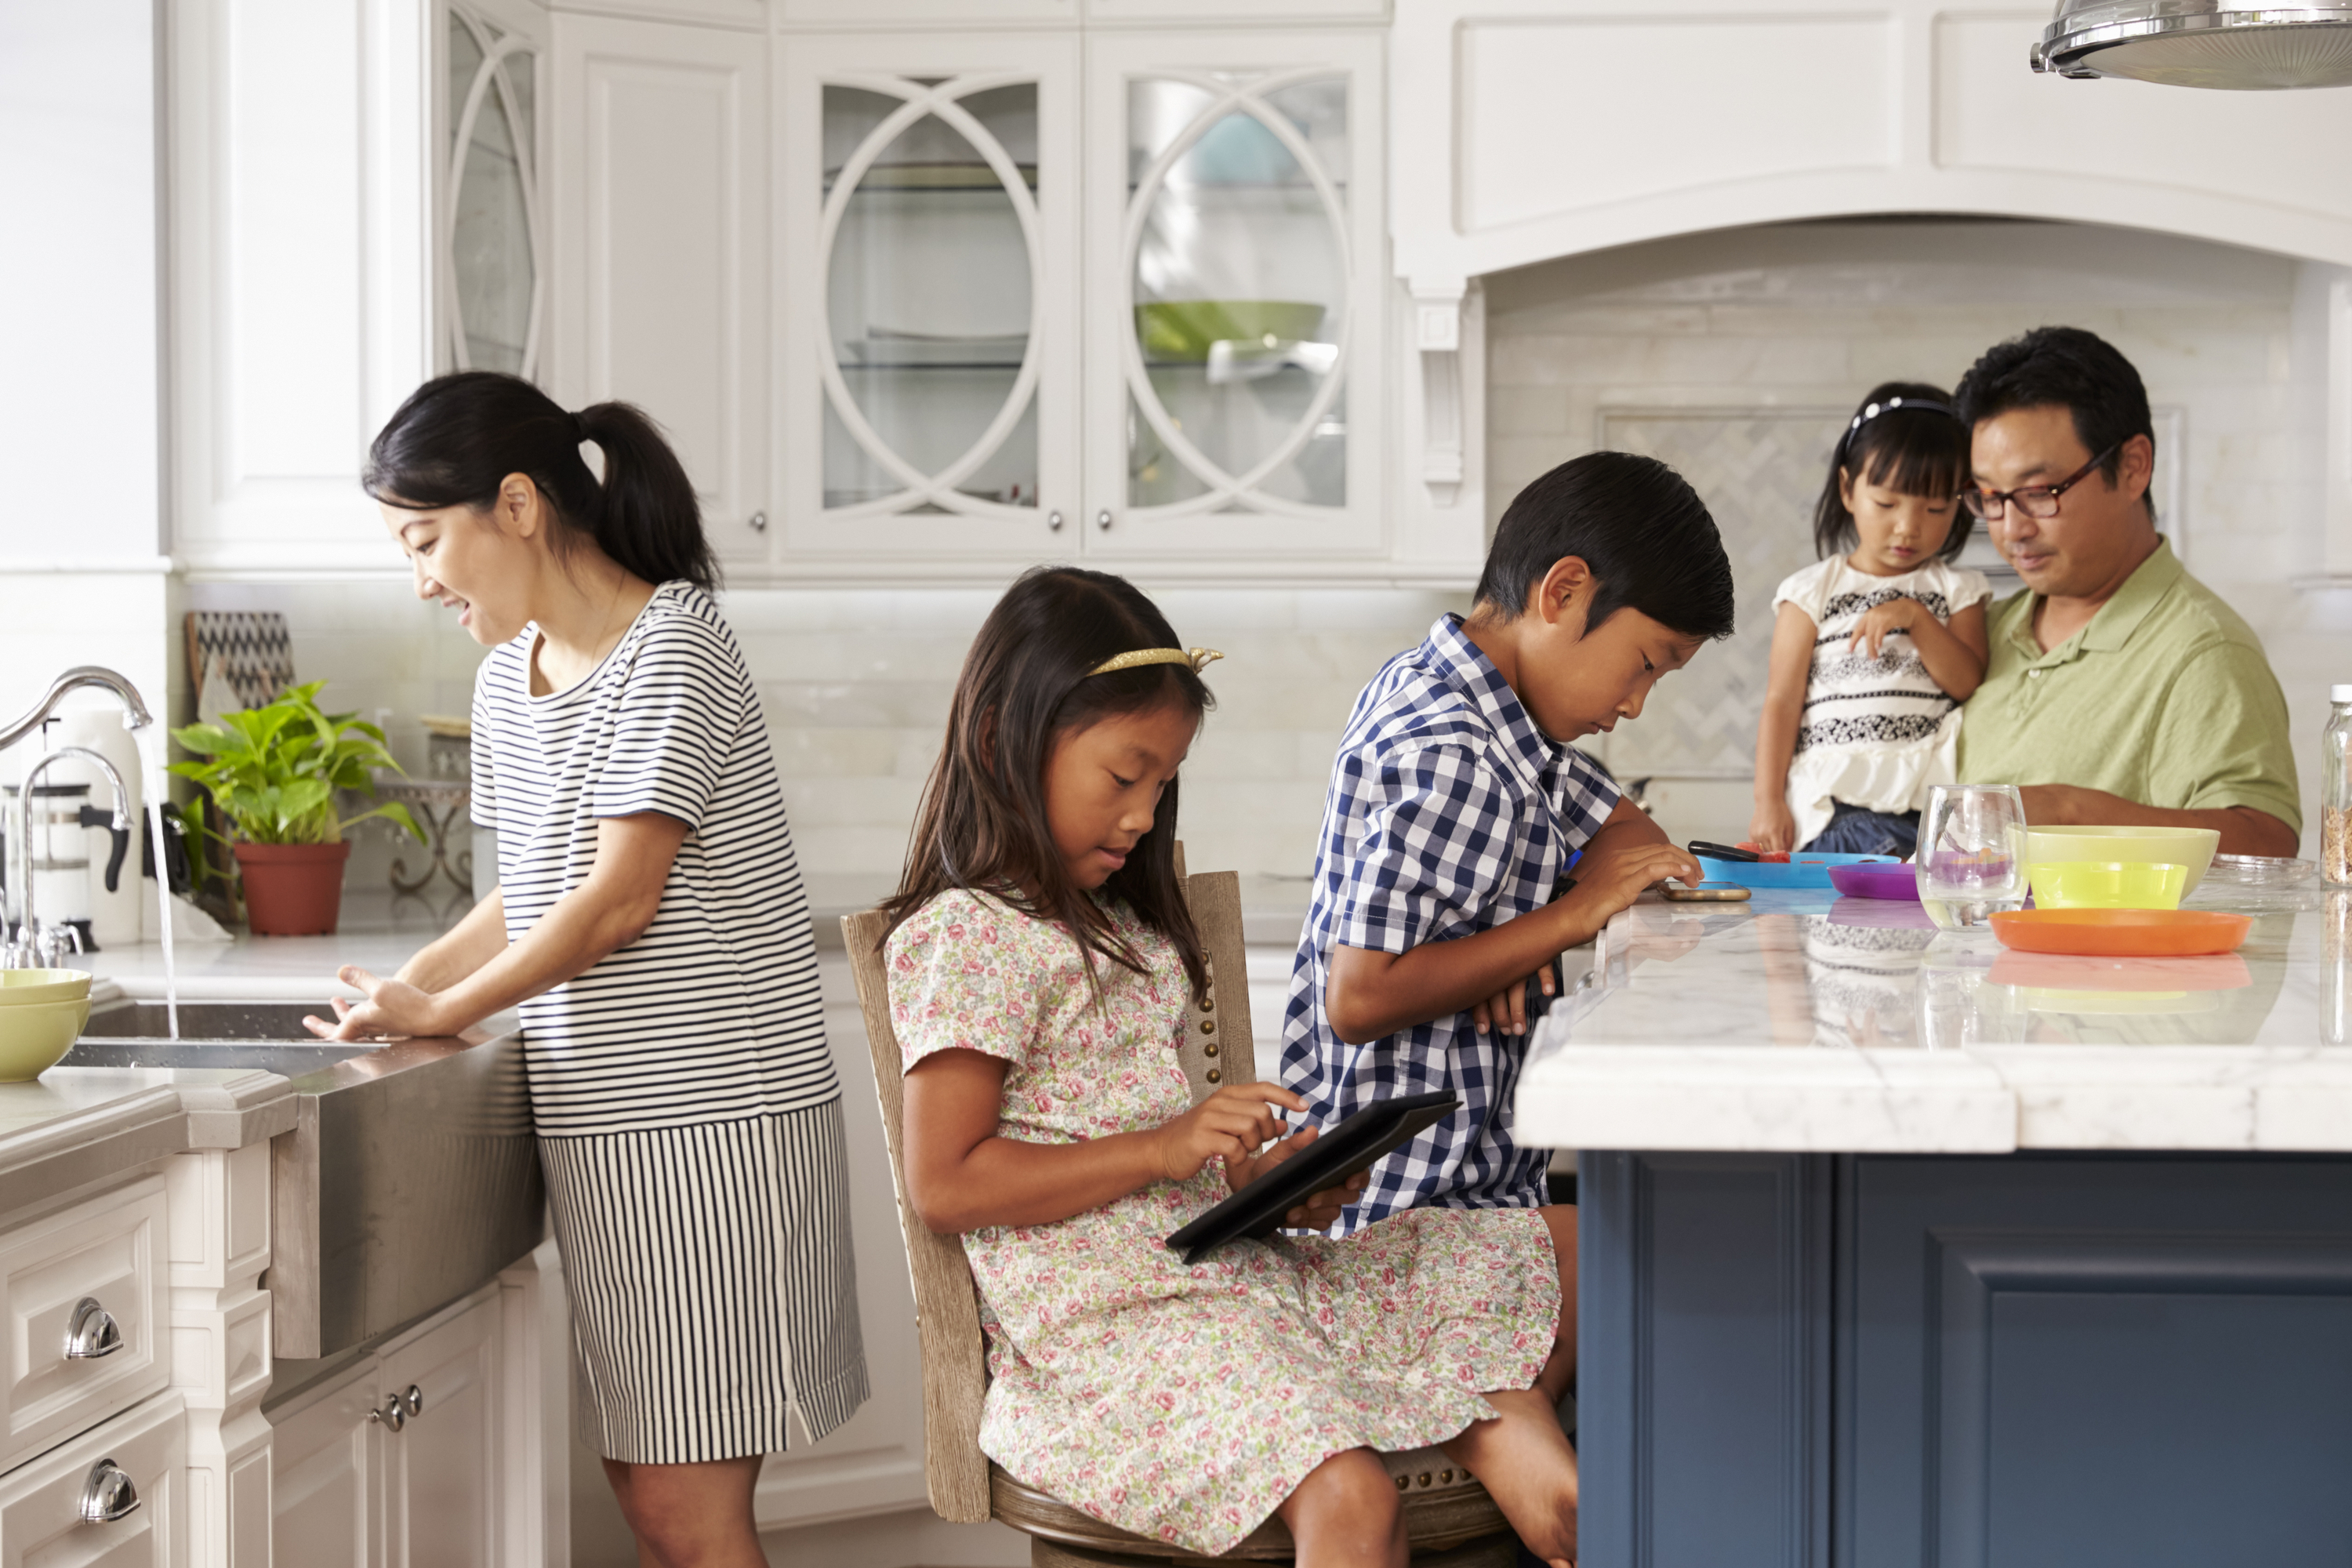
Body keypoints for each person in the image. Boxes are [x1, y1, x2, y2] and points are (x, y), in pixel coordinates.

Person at [885, 568, 1580, 1568]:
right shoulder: (969, 937)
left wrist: (1260, 1184)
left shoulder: (1124, 928)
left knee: (1561, 1243)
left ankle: (1499, 1423)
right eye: (1123, 775)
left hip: (1219, 1270)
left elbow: (1157, 1159)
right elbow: (946, 1182)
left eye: (1163, 781)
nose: (1141, 813)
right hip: (1112, 1328)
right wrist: (1167, 1148)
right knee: (1352, 1496)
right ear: (1006, 738)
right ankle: (1496, 1429)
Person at [310, 372, 867, 1568]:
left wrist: (445, 1009)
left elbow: (616, 902)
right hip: (608, 1124)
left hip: (715, 1125)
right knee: (654, 1487)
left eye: (424, 540)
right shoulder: (507, 680)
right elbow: (527, 893)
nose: (419, 581)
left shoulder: (676, 642)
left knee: (682, 1507)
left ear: (515, 504)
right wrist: (400, 993)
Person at [1281, 452, 1730, 1238]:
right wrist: (1564, 920)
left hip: (1469, 1196)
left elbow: (1635, 836)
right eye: (1645, 663)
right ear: (1563, 592)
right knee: (1665, 1253)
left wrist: (1510, 940)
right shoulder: (1456, 751)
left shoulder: (1497, 720)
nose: (1634, 702)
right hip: (1399, 1219)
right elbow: (1360, 999)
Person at [1952, 326, 2300, 855]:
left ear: (2133, 467)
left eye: (2039, 492)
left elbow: (2267, 846)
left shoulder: (2202, 651)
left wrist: (2074, 812)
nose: (2011, 529)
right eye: (1991, 498)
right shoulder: (1981, 632)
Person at [1748, 383, 1992, 858]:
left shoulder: (1957, 590)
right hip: (1836, 805)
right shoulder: (1811, 591)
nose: (1908, 526)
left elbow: (1967, 681)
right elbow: (1782, 701)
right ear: (1847, 489)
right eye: (1887, 504)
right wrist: (1768, 801)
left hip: (1929, 811)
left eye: (1935, 508)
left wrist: (1917, 619)